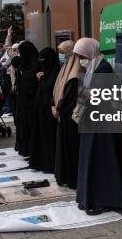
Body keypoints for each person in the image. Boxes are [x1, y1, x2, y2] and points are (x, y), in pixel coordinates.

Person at [74, 37, 122, 215]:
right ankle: (87, 198)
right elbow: (82, 92)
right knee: (89, 159)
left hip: (101, 122)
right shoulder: (91, 68)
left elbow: (97, 94)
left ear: (90, 52)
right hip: (90, 122)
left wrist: (86, 93)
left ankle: (104, 200)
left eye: (82, 55)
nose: (81, 59)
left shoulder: (103, 67)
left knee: (101, 160)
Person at [53, 40, 81, 188]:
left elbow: (69, 98)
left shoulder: (75, 72)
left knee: (71, 149)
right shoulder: (66, 69)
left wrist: (58, 108)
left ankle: (72, 178)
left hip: (71, 120)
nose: (61, 56)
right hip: (63, 117)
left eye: (63, 53)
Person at [29, 47, 60, 173]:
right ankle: (42, 162)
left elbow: (48, 87)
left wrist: (41, 79)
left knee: (49, 137)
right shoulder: (46, 70)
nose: (42, 63)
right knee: (42, 136)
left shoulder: (56, 71)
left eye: (44, 60)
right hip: (41, 108)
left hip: (50, 109)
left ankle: (50, 164)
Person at [14, 41, 39, 157]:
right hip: (22, 102)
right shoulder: (23, 65)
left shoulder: (36, 65)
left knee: (30, 126)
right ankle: (24, 148)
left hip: (31, 103)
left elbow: (32, 82)